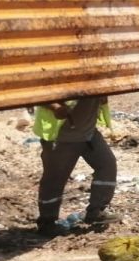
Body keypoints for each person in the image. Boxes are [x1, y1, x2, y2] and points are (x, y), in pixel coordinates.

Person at [32, 95, 119, 236]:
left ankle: (96, 212)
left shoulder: (95, 75)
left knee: (107, 165)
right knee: (55, 179)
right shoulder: (60, 74)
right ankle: (47, 222)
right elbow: (34, 92)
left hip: (88, 133)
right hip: (63, 137)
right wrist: (54, 106)